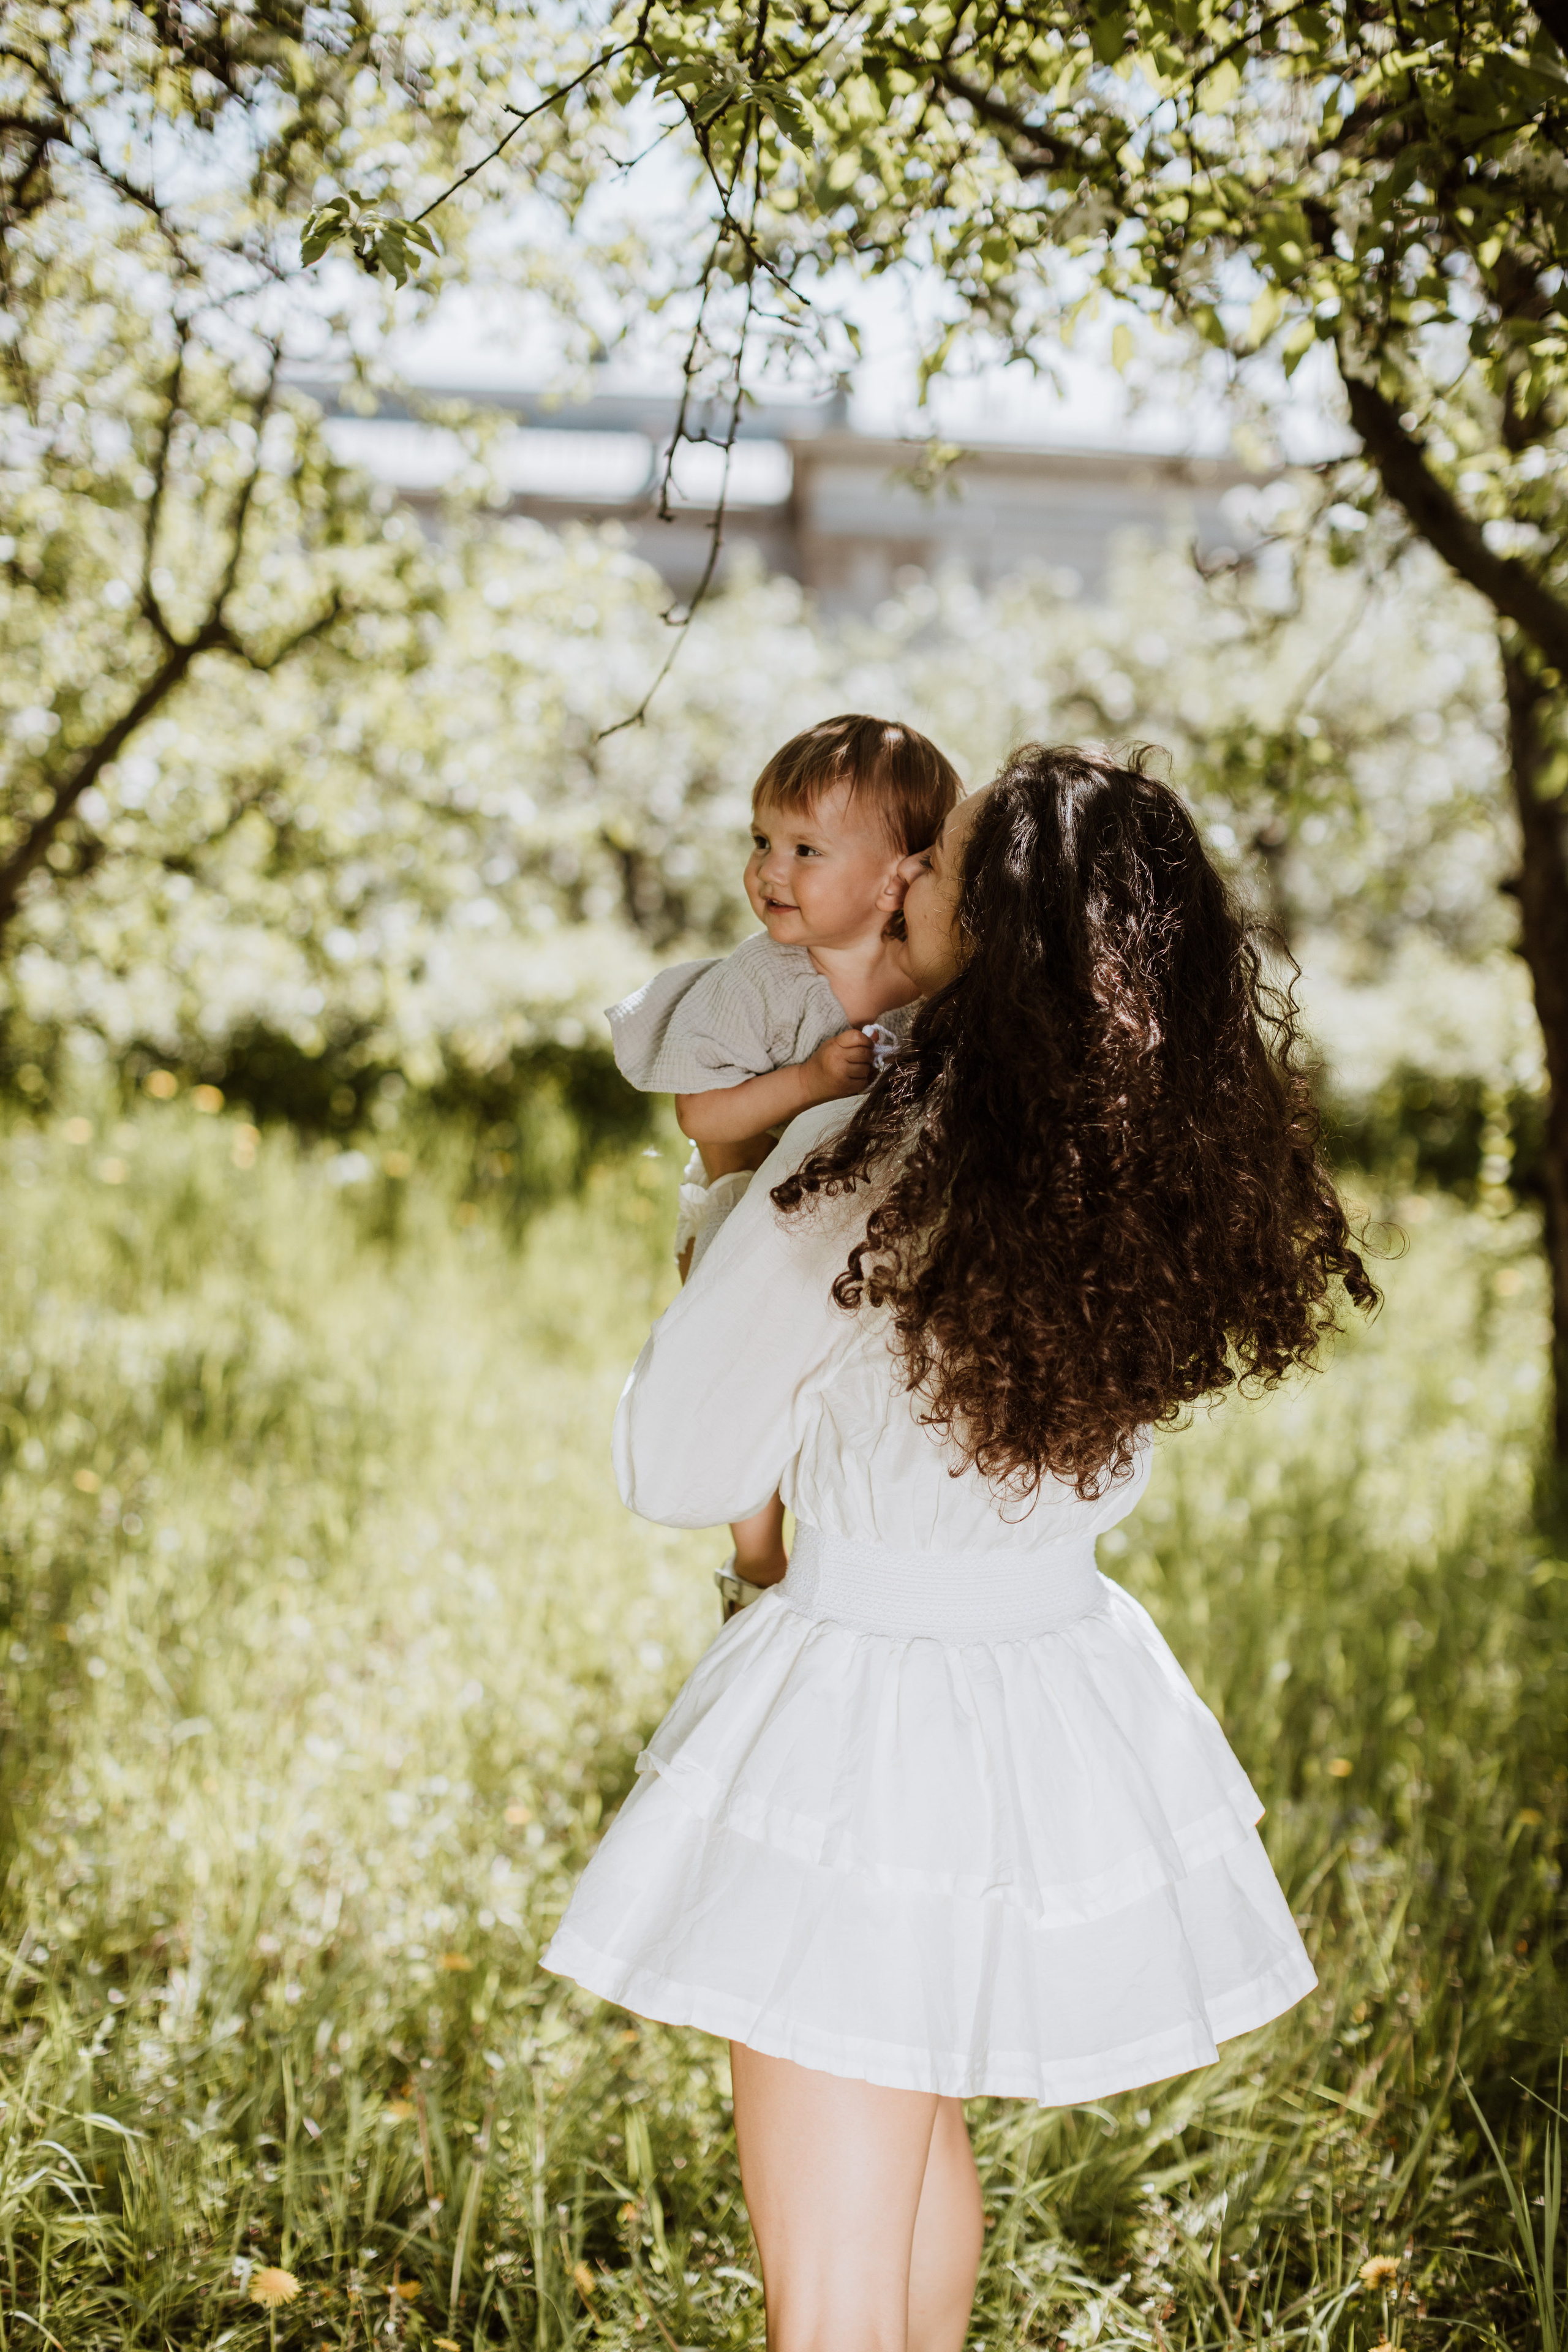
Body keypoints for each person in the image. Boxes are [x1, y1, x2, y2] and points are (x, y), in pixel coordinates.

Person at [546, 744, 1376, 2352]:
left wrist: (723, 1207)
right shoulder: (1133, 1184)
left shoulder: (855, 1168)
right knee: (921, 2151)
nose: (903, 875)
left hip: (857, 1712)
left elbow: (676, 1460)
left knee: (832, 2306)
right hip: (1043, 1692)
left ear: (994, 932)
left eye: (943, 866)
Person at [606, 714, 962, 1606]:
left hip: (867, 1231)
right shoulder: (760, 981)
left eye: (807, 849)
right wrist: (805, 1081)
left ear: (902, 876)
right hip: (748, 1208)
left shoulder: (932, 980)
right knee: (745, 1384)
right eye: (762, 840)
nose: (769, 869)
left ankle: (857, 1538)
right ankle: (758, 1556)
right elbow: (701, 1110)